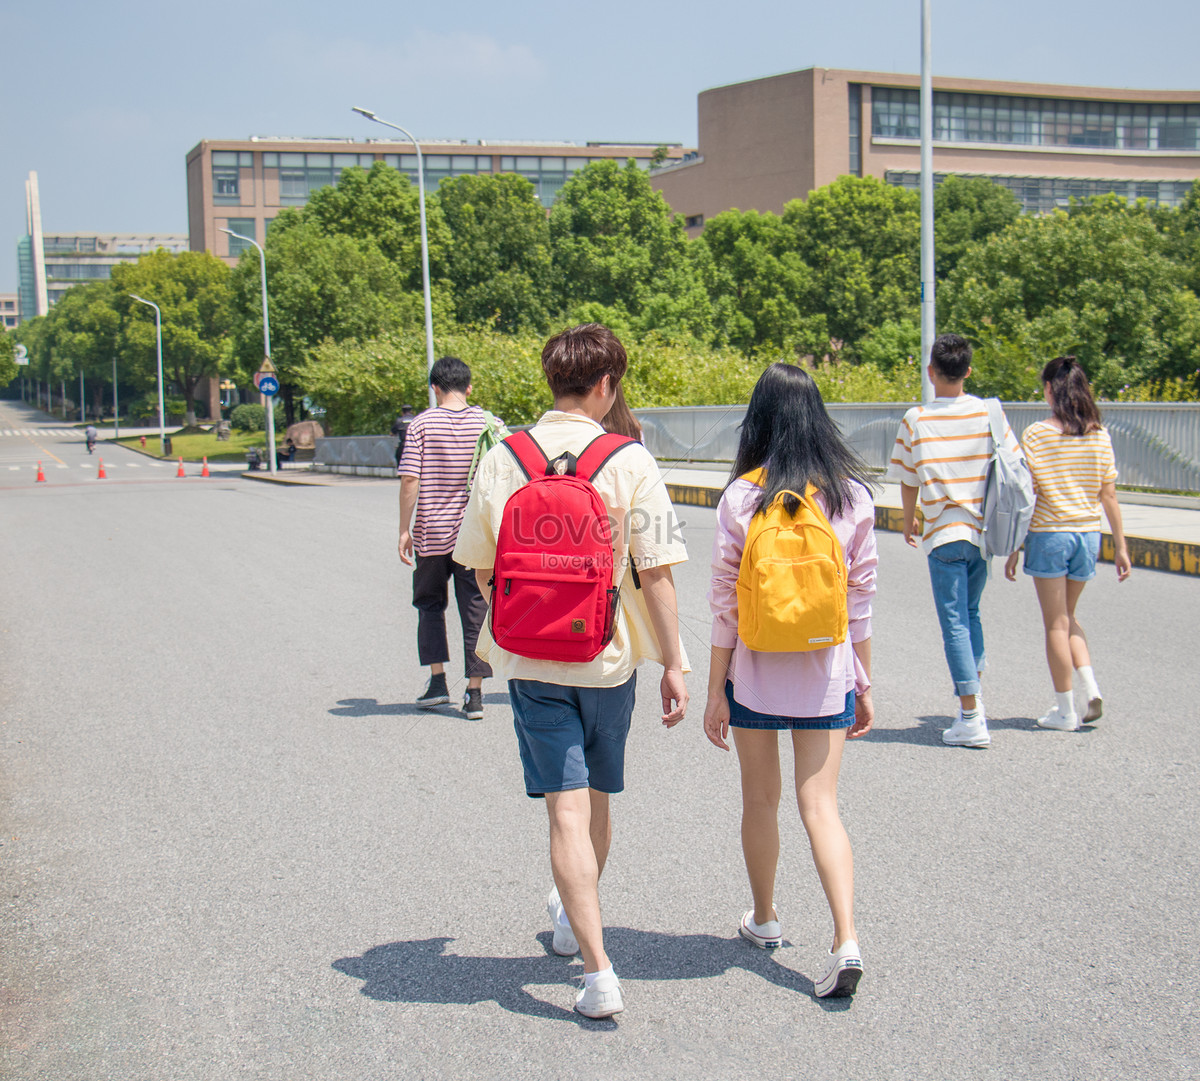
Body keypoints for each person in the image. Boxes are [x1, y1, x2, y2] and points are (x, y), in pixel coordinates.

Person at [453, 324, 689, 1019]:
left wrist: (526, 609)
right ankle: (576, 931)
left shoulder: (506, 455)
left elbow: (480, 562)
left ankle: (597, 971)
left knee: (565, 806)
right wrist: (675, 661)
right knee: (596, 800)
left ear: (551, 380)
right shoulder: (629, 459)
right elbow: (658, 572)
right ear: (607, 384)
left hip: (531, 659)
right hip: (608, 658)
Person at [702, 362, 876, 999]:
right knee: (820, 806)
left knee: (760, 801)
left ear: (759, 420)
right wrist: (862, 680)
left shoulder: (742, 498)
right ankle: (846, 938)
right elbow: (860, 600)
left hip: (753, 678)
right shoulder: (851, 495)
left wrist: (717, 689)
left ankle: (766, 917)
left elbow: (725, 601)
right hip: (826, 676)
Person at [887, 333, 1021, 749]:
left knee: (955, 624)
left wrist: (910, 523)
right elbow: (1013, 467)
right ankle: (973, 702)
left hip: (944, 535)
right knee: (972, 614)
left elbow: (908, 481)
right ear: (967, 371)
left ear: (931, 372)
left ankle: (970, 715)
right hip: (983, 535)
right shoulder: (988, 414)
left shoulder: (917, 419)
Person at [1004, 357, 1132, 730]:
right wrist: (1120, 546)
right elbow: (1108, 495)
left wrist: (1014, 547)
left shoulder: (1037, 435)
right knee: (1070, 617)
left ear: (1050, 390)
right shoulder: (1099, 434)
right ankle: (1090, 687)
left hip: (1049, 535)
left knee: (1056, 624)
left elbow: (1029, 496)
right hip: (1087, 536)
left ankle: (1065, 711)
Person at [397, 361, 492, 720]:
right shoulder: (489, 424)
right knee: (476, 610)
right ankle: (475, 694)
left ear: (435, 388)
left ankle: (438, 682)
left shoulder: (421, 424)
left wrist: (404, 530)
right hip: (475, 537)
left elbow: (410, 480)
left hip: (432, 535)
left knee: (430, 605)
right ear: (469, 388)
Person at [392, 404, 415, 470]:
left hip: (404, 445)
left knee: (398, 456)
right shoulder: (416, 419)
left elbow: (392, 433)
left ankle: (401, 473)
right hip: (416, 444)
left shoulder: (399, 421)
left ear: (402, 412)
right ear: (411, 411)